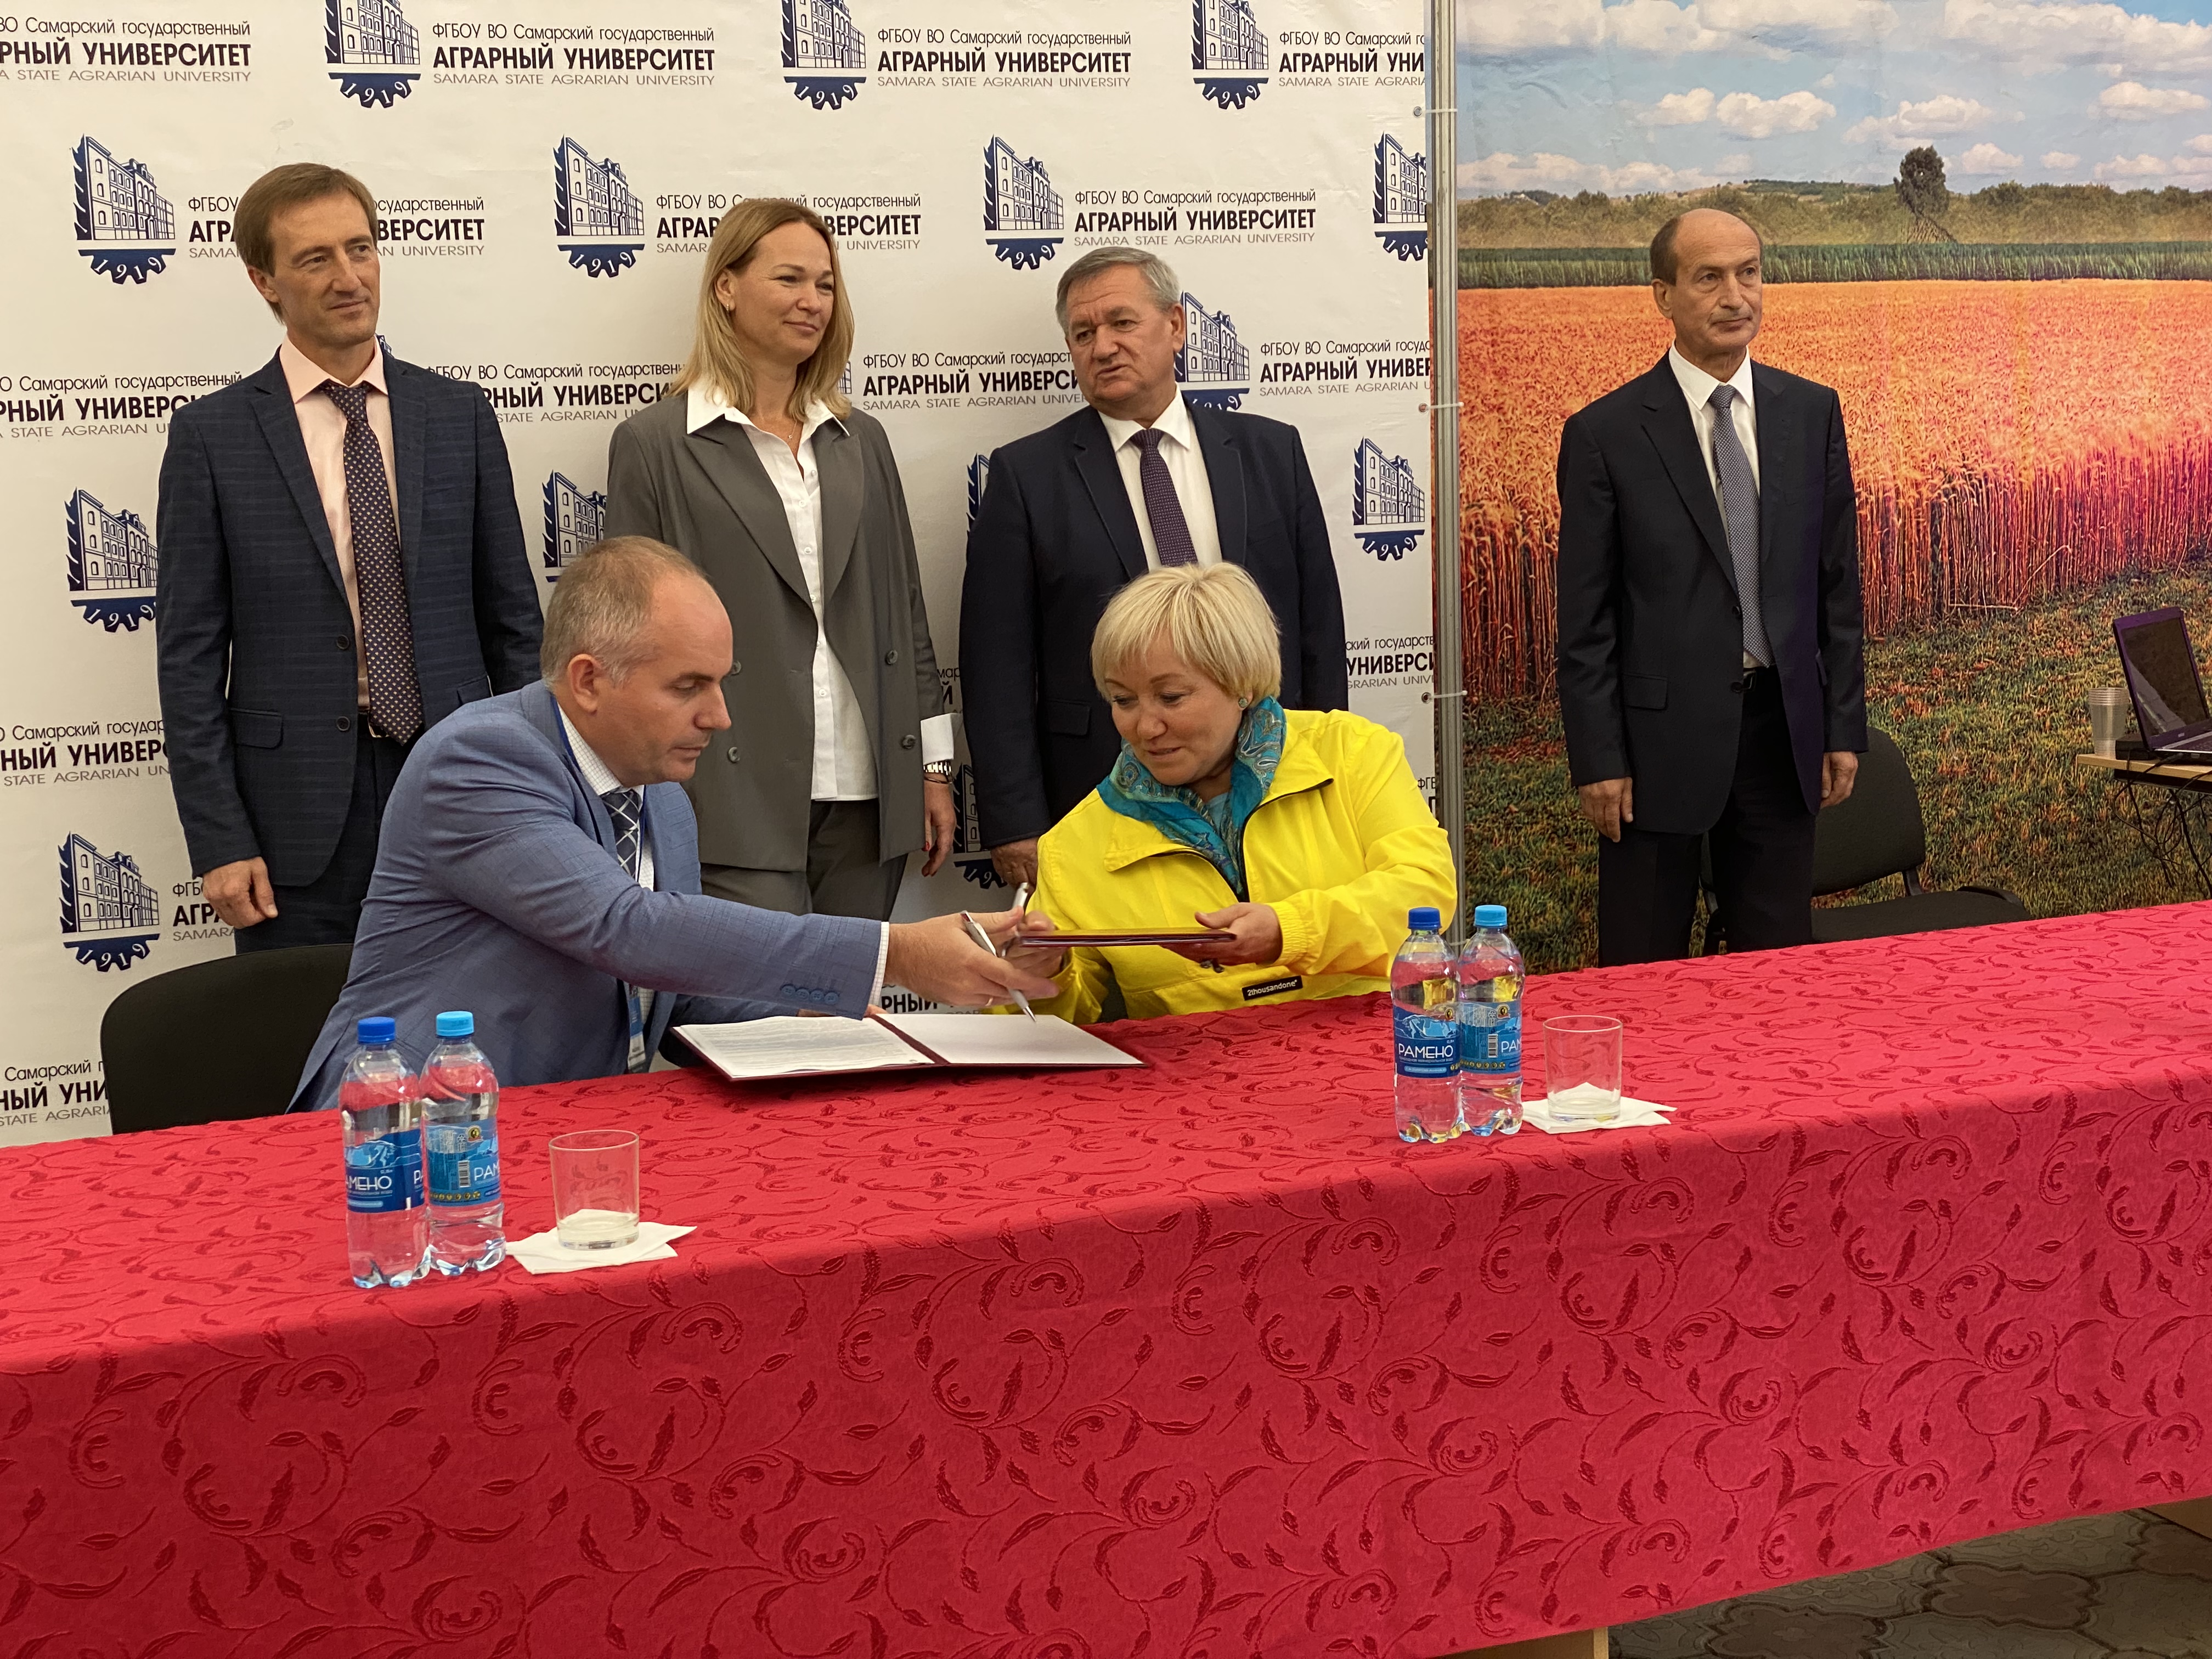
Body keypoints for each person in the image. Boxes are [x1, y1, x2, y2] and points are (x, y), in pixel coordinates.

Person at [291, 538, 1059, 1111]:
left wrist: (834, 1012)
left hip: (564, 1135)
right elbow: (626, 929)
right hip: (405, 1135)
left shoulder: (662, 799)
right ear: (589, 680)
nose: (719, 717)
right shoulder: (481, 759)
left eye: (720, 684)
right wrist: (895, 954)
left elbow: (680, 994)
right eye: (688, 686)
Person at [156, 162, 541, 952]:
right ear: (264, 280)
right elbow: (189, 660)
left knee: (463, 1020)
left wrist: (538, 798)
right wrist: (221, 838)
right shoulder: (212, 437)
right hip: (294, 817)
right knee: (304, 1025)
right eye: (315, 259)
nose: (348, 277)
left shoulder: (459, 415)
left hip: (458, 788)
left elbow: (514, 627)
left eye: (360, 249)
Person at [604, 200, 952, 923]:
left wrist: (934, 767)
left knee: (852, 995)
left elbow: (908, 618)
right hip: (731, 792)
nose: (813, 301)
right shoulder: (656, 443)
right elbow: (629, 636)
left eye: (825, 284)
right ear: (726, 288)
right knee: (758, 998)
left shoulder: (863, 440)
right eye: (790, 279)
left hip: (869, 793)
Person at [960, 245, 1348, 893]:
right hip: (1101, 789)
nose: (1103, 347)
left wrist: (1329, 768)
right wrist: (1015, 822)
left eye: (1122, 323)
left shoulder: (1271, 451)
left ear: (1176, 326)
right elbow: (996, 666)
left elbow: (1319, 632)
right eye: (1083, 334)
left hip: (1270, 781)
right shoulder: (1026, 477)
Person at [1555, 207, 1867, 966]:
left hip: (1780, 736)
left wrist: (1840, 727)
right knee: (1643, 968)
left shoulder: (1812, 412)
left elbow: (1837, 589)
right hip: (1655, 750)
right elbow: (1586, 623)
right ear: (1663, 295)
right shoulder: (1605, 434)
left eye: (1748, 273)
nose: (1736, 296)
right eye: (1709, 278)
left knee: (1774, 970)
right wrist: (1599, 759)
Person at [1022, 564, 1450, 1024]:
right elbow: (1045, 1025)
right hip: (1193, 1070)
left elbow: (1423, 891)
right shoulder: (1073, 845)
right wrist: (1042, 973)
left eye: (1171, 697)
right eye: (1123, 700)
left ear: (1242, 684)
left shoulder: (1352, 752)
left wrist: (1291, 931)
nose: (1144, 727)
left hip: (1379, 1050)